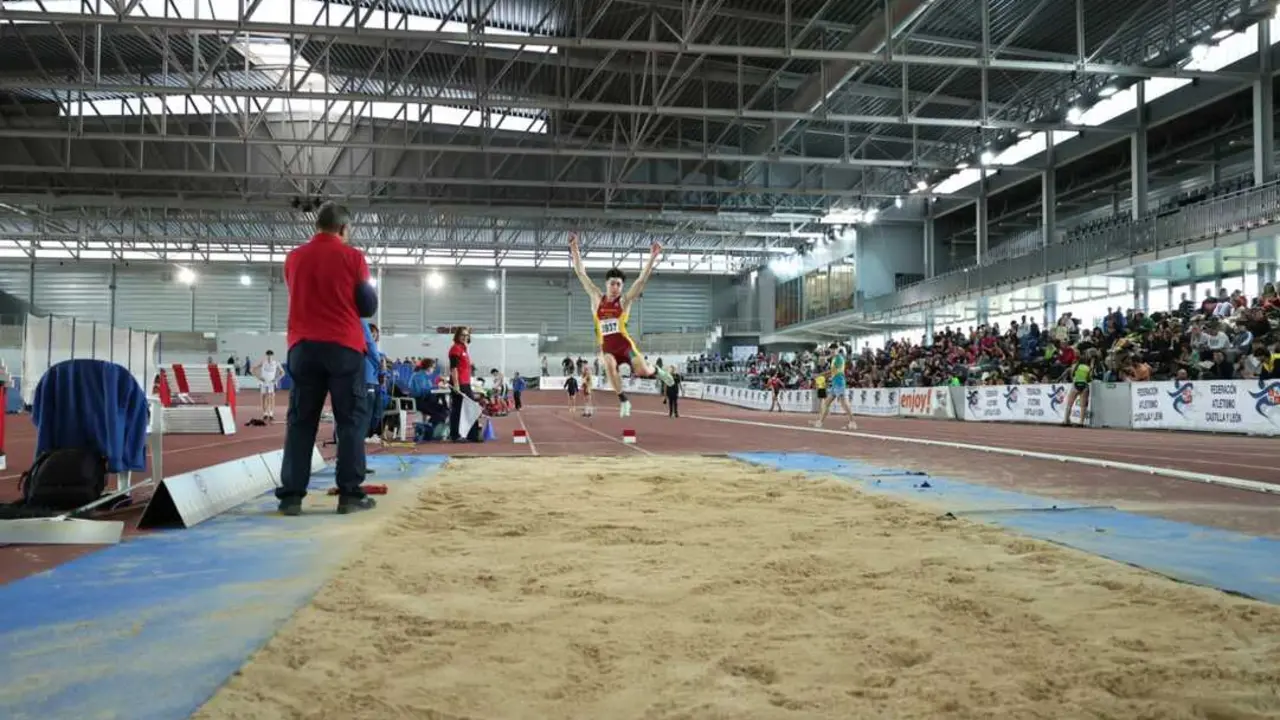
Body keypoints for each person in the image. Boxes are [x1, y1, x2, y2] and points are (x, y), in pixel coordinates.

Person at [277, 201, 378, 516]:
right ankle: (349, 495)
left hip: (303, 347)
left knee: (300, 422)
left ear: (316, 226)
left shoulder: (293, 258)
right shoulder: (353, 257)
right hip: (343, 347)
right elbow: (366, 307)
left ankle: (291, 496)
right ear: (344, 228)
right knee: (350, 421)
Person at [568, 232, 674, 417]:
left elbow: (641, 281)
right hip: (607, 347)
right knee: (608, 363)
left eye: (619, 284)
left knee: (642, 370)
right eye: (613, 284)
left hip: (625, 346)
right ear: (607, 284)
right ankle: (624, 400)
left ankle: (656, 371)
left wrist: (652, 257)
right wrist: (574, 248)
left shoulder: (624, 302)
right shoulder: (596, 298)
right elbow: (581, 273)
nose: (616, 287)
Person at [813, 344, 857, 429]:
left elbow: (835, 371)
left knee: (843, 403)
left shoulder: (839, 358)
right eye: (831, 350)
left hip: (839, 382)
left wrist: (822, 374)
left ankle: (852, 422)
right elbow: (832, 371)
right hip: (834, 383)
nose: (832, 351)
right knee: (826, 403)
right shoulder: (834, 359)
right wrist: (823, 375)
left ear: (837, 350)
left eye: (834, 349)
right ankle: (820, 422)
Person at [447, 327, 476, 442]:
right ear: (457, 336)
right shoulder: (455, 349)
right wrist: (456, 385)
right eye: (462, 335)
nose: (465, 337)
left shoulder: (464, 349)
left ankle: (469, 435)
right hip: (459, 384)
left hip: (466, 383)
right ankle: (456, 435)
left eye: (467, 335)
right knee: (459, 409)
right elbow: (453, 369)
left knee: (469, 408)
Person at [252, 350, 280, 422]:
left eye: (270, 355)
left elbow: (282, 372)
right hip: (264, 383)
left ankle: (271, 414)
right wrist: (258, 377)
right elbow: (252, 369)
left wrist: (276, 379)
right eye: (268, 355)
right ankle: (265, 413)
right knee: (264, 397)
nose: (269, 356)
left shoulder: (276, 363)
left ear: (273, 356)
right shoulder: (263, 362)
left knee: (271, 398)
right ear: (266, 355)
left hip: (271, 383)